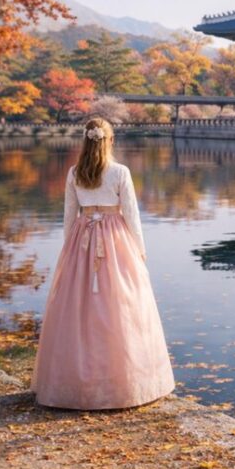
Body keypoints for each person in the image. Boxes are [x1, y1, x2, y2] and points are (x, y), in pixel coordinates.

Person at [32, 117, 175, 409]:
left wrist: (69, 251)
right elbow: (132, 215)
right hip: (115, 239)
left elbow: (69, 215)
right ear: (110, 140)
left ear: (85, 141)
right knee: (119, 305)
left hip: (82, 237)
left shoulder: (74, 173)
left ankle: (74, 381)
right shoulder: (120, 172)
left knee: (79, 308)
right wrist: (140, 251)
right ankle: (124, 382)